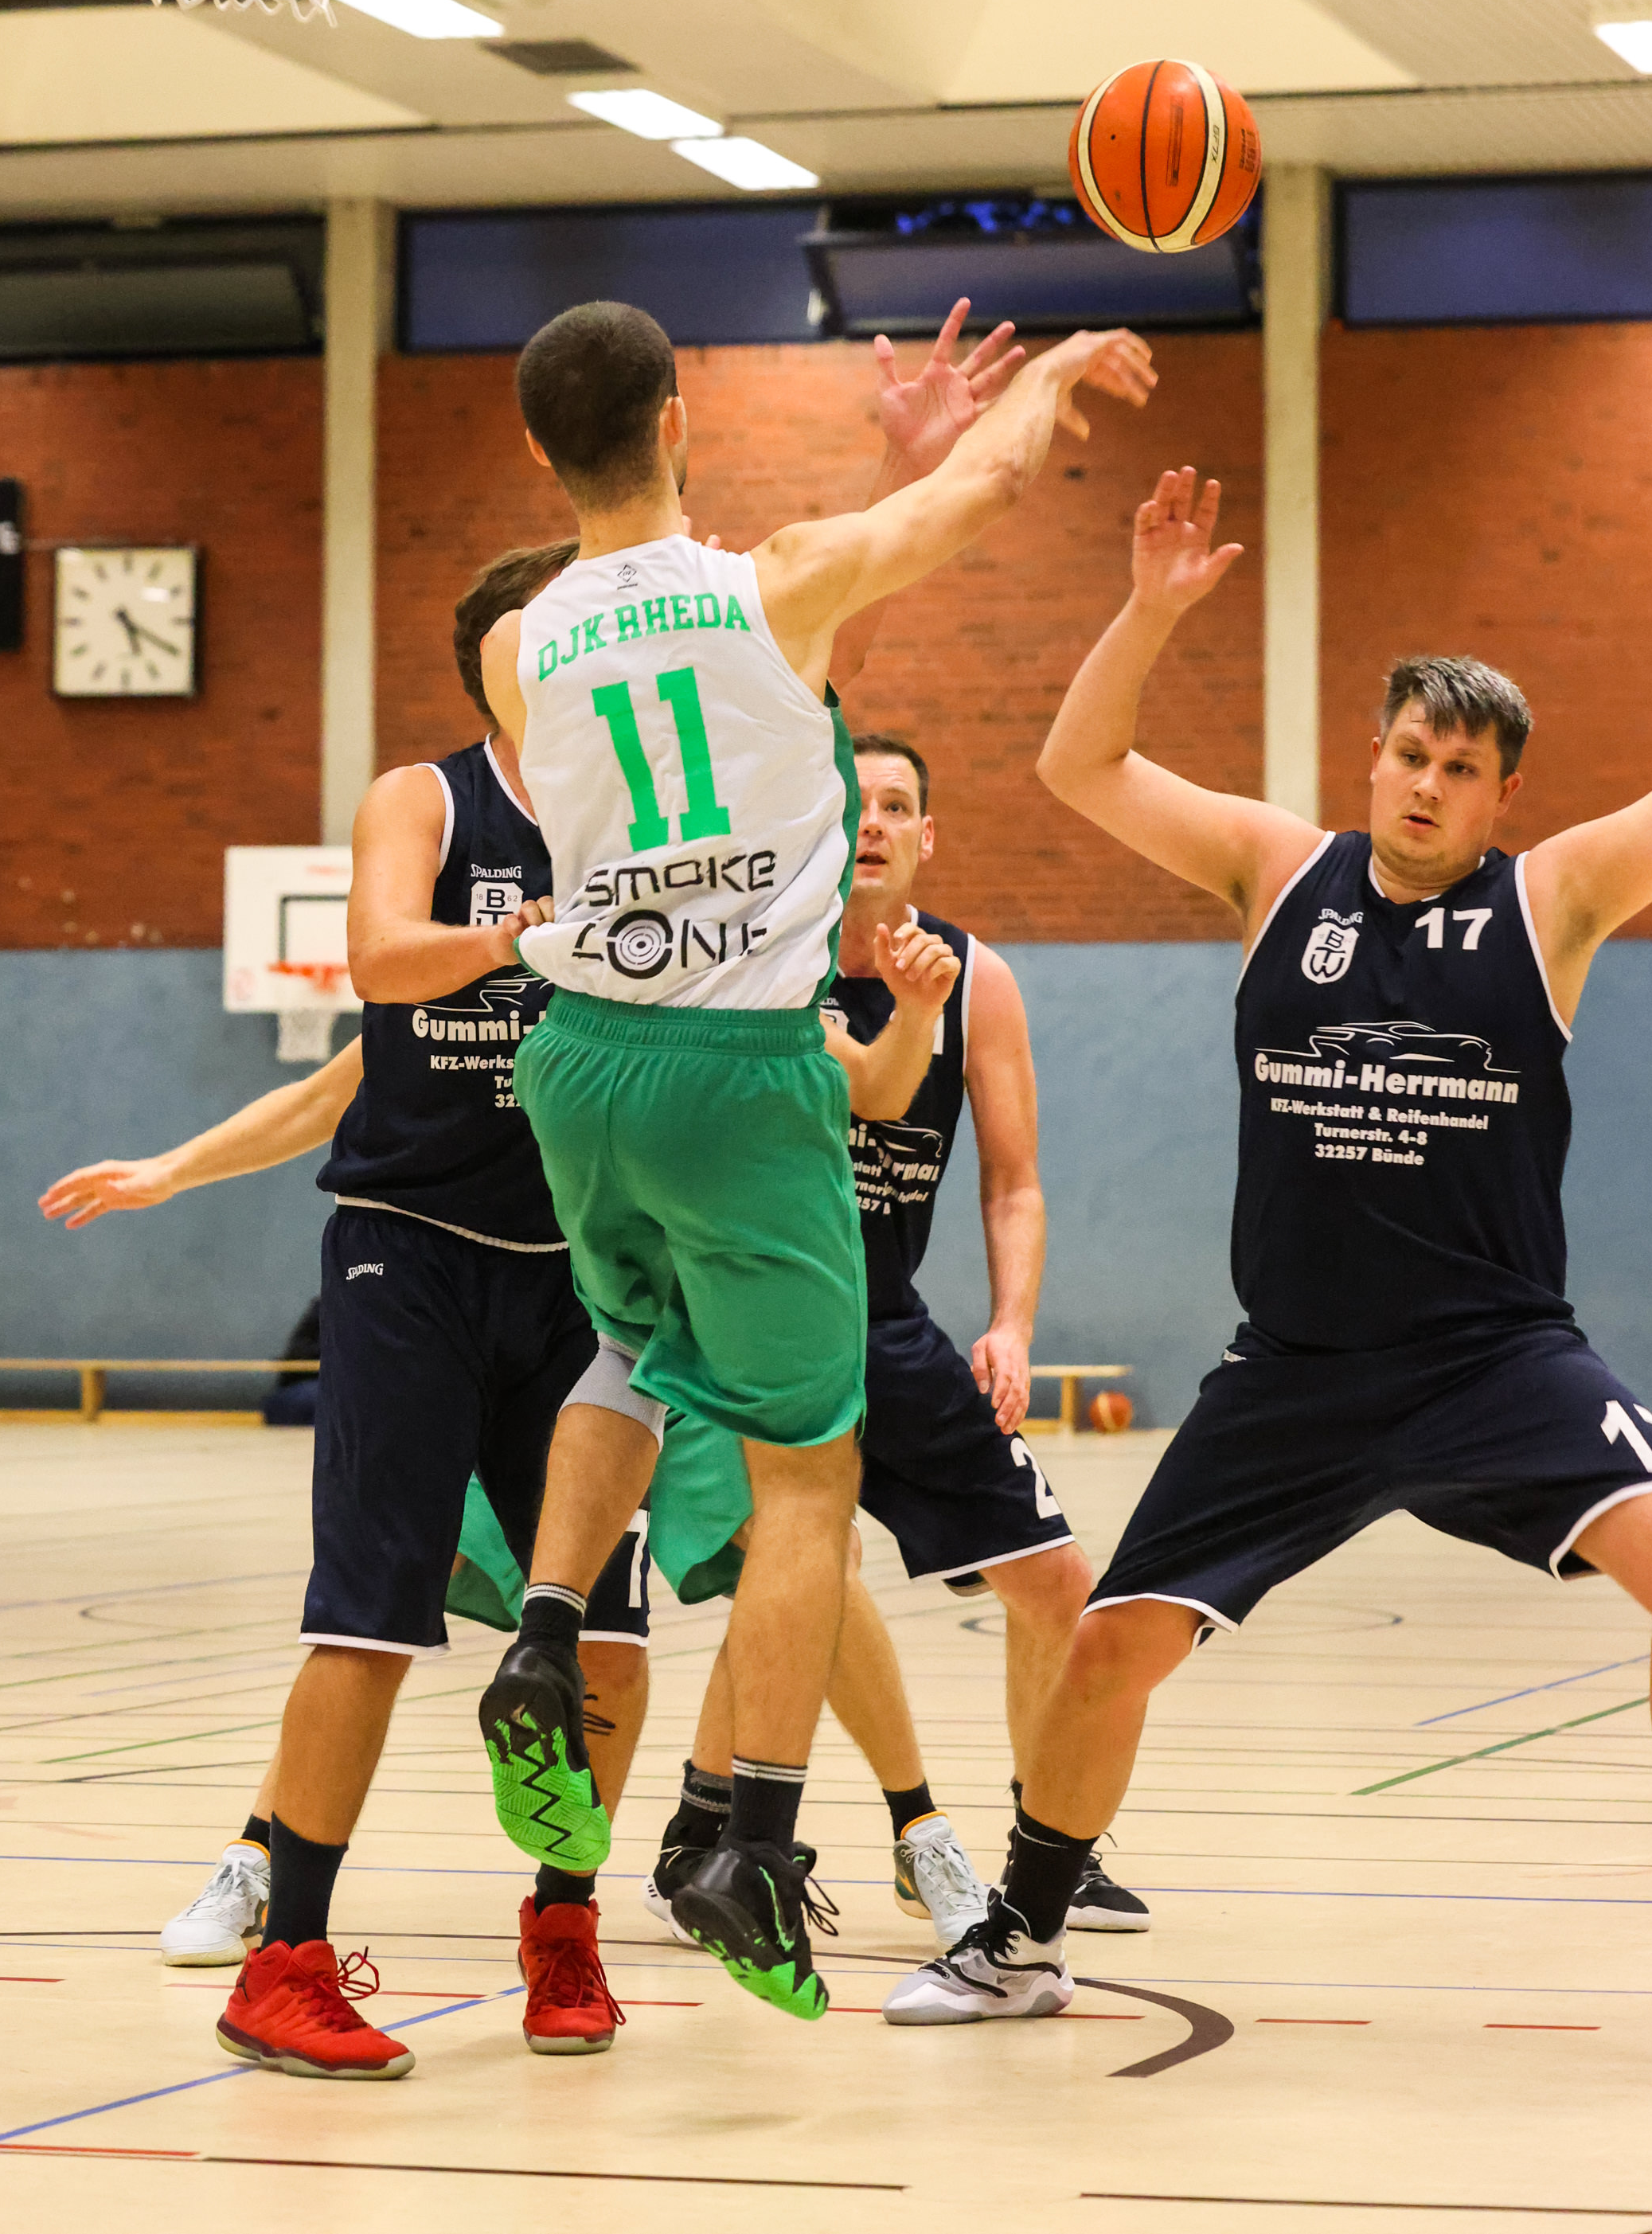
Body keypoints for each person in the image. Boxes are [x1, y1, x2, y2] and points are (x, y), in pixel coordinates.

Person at [913, 465, 1652, 2042]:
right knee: (1107, 1648)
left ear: (1498, 797)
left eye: (1459, 768)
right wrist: (1148, 611)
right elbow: (1078, 766)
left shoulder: (1550, 901)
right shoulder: (1277, 870)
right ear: (1373, 756)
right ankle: (1019, 1939)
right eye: (1408, 752)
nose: (1425, 784)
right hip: (1295, 1369)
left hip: (1496, 1359)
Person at [470, 297, 1155, 2019]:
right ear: (678, 419)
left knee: (627, 1343)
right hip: (737, 1066)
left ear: (538, 449)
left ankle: (546, 1628)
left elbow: (739, 676)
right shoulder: (773, 580)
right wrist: (1043, 382)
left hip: (576, 1057)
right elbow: (971, 507)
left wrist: (881, 475)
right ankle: (748, 1838)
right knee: (805, 1481)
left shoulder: (521, 642)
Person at [41, 541, 653, 2081]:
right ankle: (287, 1958)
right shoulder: (427, 801)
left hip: (581, 1272)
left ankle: (563, 1927)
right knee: (368, 1614)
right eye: (535, 625)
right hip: (408, 1256)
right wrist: (176, 1168)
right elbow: (377, 975)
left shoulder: (642, 817)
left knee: (606, 1635)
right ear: (491, 657)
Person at [642, 732, 1146, 1974]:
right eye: (849, 799)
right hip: (756, 1319)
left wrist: (1011, 1322)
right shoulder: (762, 956)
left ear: (927, 835)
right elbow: (863, 1092)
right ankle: (706, 1839)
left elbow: (1014, 1181)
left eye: (895, 803)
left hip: (885, 1320)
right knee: (798, 1571)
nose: (870, 820)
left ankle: (1051, 1843)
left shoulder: (979, 978)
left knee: (1058, 1584)